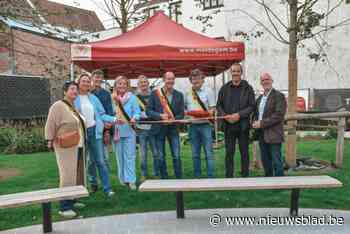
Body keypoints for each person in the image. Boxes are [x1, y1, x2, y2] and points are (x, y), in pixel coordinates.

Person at [45, 81, 86, 218]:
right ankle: (64, 207)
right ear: (65, 91)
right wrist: (49, 140)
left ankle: (72, 199)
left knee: (75, 174)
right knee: (67, 174)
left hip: (76, 144)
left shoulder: (72, 106)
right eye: (72, 89)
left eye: (76, 89)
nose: (75, 91)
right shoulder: (58, 106)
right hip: (64, 146)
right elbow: (51, 123)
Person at [74, 73, 116, 197]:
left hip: (94, 132)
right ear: (78, 83)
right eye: (83, 81)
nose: (86, 83)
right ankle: (91, 183)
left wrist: (114, 119)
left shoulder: (93, 98)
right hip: (81, 133)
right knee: (87, 162)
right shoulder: (74, 98)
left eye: (88, 81)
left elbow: (102, 114)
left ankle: (107, 188)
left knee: (100, 161)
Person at [217, 63, 255, 178]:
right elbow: (219, 106)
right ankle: (229, 176)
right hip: (229, 126)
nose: (235, 73)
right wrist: (225, 116)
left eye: (237, 71)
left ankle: (245, 176)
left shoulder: (248, 88)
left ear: (241, 73)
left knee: (244, 152)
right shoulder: (224, 88)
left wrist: (239, 115)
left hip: (243, 126)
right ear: (231, 73)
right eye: (233, 71)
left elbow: (251, 106)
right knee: (229, 152)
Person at [146, 71, 184, 179]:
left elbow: (181, 114)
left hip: (173, 129)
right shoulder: (155, 93)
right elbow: (148, 110)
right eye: (168, 79)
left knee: (176, 156)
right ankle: (164, 178)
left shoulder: (179, 95)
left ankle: (179, 178)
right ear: (163, 80)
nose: (170, 81)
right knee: (160, 156)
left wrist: (174, 119)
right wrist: (160, 116)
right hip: (158, 129)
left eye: (172, 79)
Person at [252, 72, 286, 177]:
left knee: (276, 160)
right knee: (265, 160)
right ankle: (268, 181)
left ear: (272, 81)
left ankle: (280, 183)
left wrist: (261, 123)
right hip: (261, 133)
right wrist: (254, 123)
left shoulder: (279, 96)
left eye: (267, 79)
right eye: (263, 80)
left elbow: (279, 115)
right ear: (260, 83)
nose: (265, 81)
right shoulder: (259, 99)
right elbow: (256, 114)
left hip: (274, 133)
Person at [184, 69, 215, 178]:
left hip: (205, 126)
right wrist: (187, 116)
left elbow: (212, 110)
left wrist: (199, 114)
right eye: (193, 78)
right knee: (195, 154)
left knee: (209, 153)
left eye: (198, 78)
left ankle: (210, 177)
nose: (196, 80)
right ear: (190, 80)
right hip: (192, 127)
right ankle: (197, 177)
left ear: (203, 79)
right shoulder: (187, 93)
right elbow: (184, 110)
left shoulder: (209, 91)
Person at [112, 76, 141, 190]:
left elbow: (137, 112)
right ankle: (123, 179)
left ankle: (131, 180)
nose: (122, 86)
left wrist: (135, 117)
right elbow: (108, 113)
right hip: (117, 131)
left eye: (124, 84)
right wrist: (113, 118)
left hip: (129, 130)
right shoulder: (112, 98)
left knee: (130, 156)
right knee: (119, 157)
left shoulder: (132, 98)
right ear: (116, 85)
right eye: (119, 83)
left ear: (127, 86)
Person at [91, 69, 114, 186]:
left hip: (103, 128)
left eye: (100, 78)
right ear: (92, 78)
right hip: (90, 129)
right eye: (96, 77)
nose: (98, 80)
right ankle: (93, 181)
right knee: (91, 160)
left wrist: (107, 129)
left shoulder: (106, 94)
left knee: (104, 157)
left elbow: (109, 111)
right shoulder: (87, 92)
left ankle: (105, 181)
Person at [135, 75, 160, 182]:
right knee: (143, 154)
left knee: (155, 153)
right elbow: (135, 113)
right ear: (138, 85)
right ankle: (144, 174)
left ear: (148, 83)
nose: (143, 84)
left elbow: (157, 110)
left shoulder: (155, 95)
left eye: (145, 82)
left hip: (153, 128)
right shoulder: (135, 97)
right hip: (141, 129)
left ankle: (156, 173)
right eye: (141, 82)